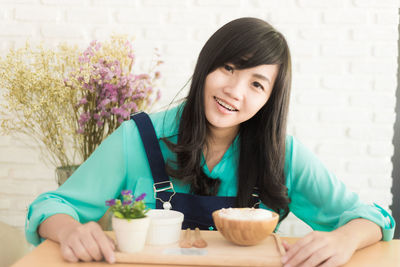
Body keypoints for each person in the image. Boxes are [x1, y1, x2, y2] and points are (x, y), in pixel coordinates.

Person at [25, 17, 395, 266]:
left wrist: (344, 239)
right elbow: (52, 204)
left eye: (256, 83)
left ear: (269, 99)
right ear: (206, 65)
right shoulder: (138, 138)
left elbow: (371, 218)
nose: (234, 91)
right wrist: (72, 230)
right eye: (229, 68)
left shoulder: (282, 154)